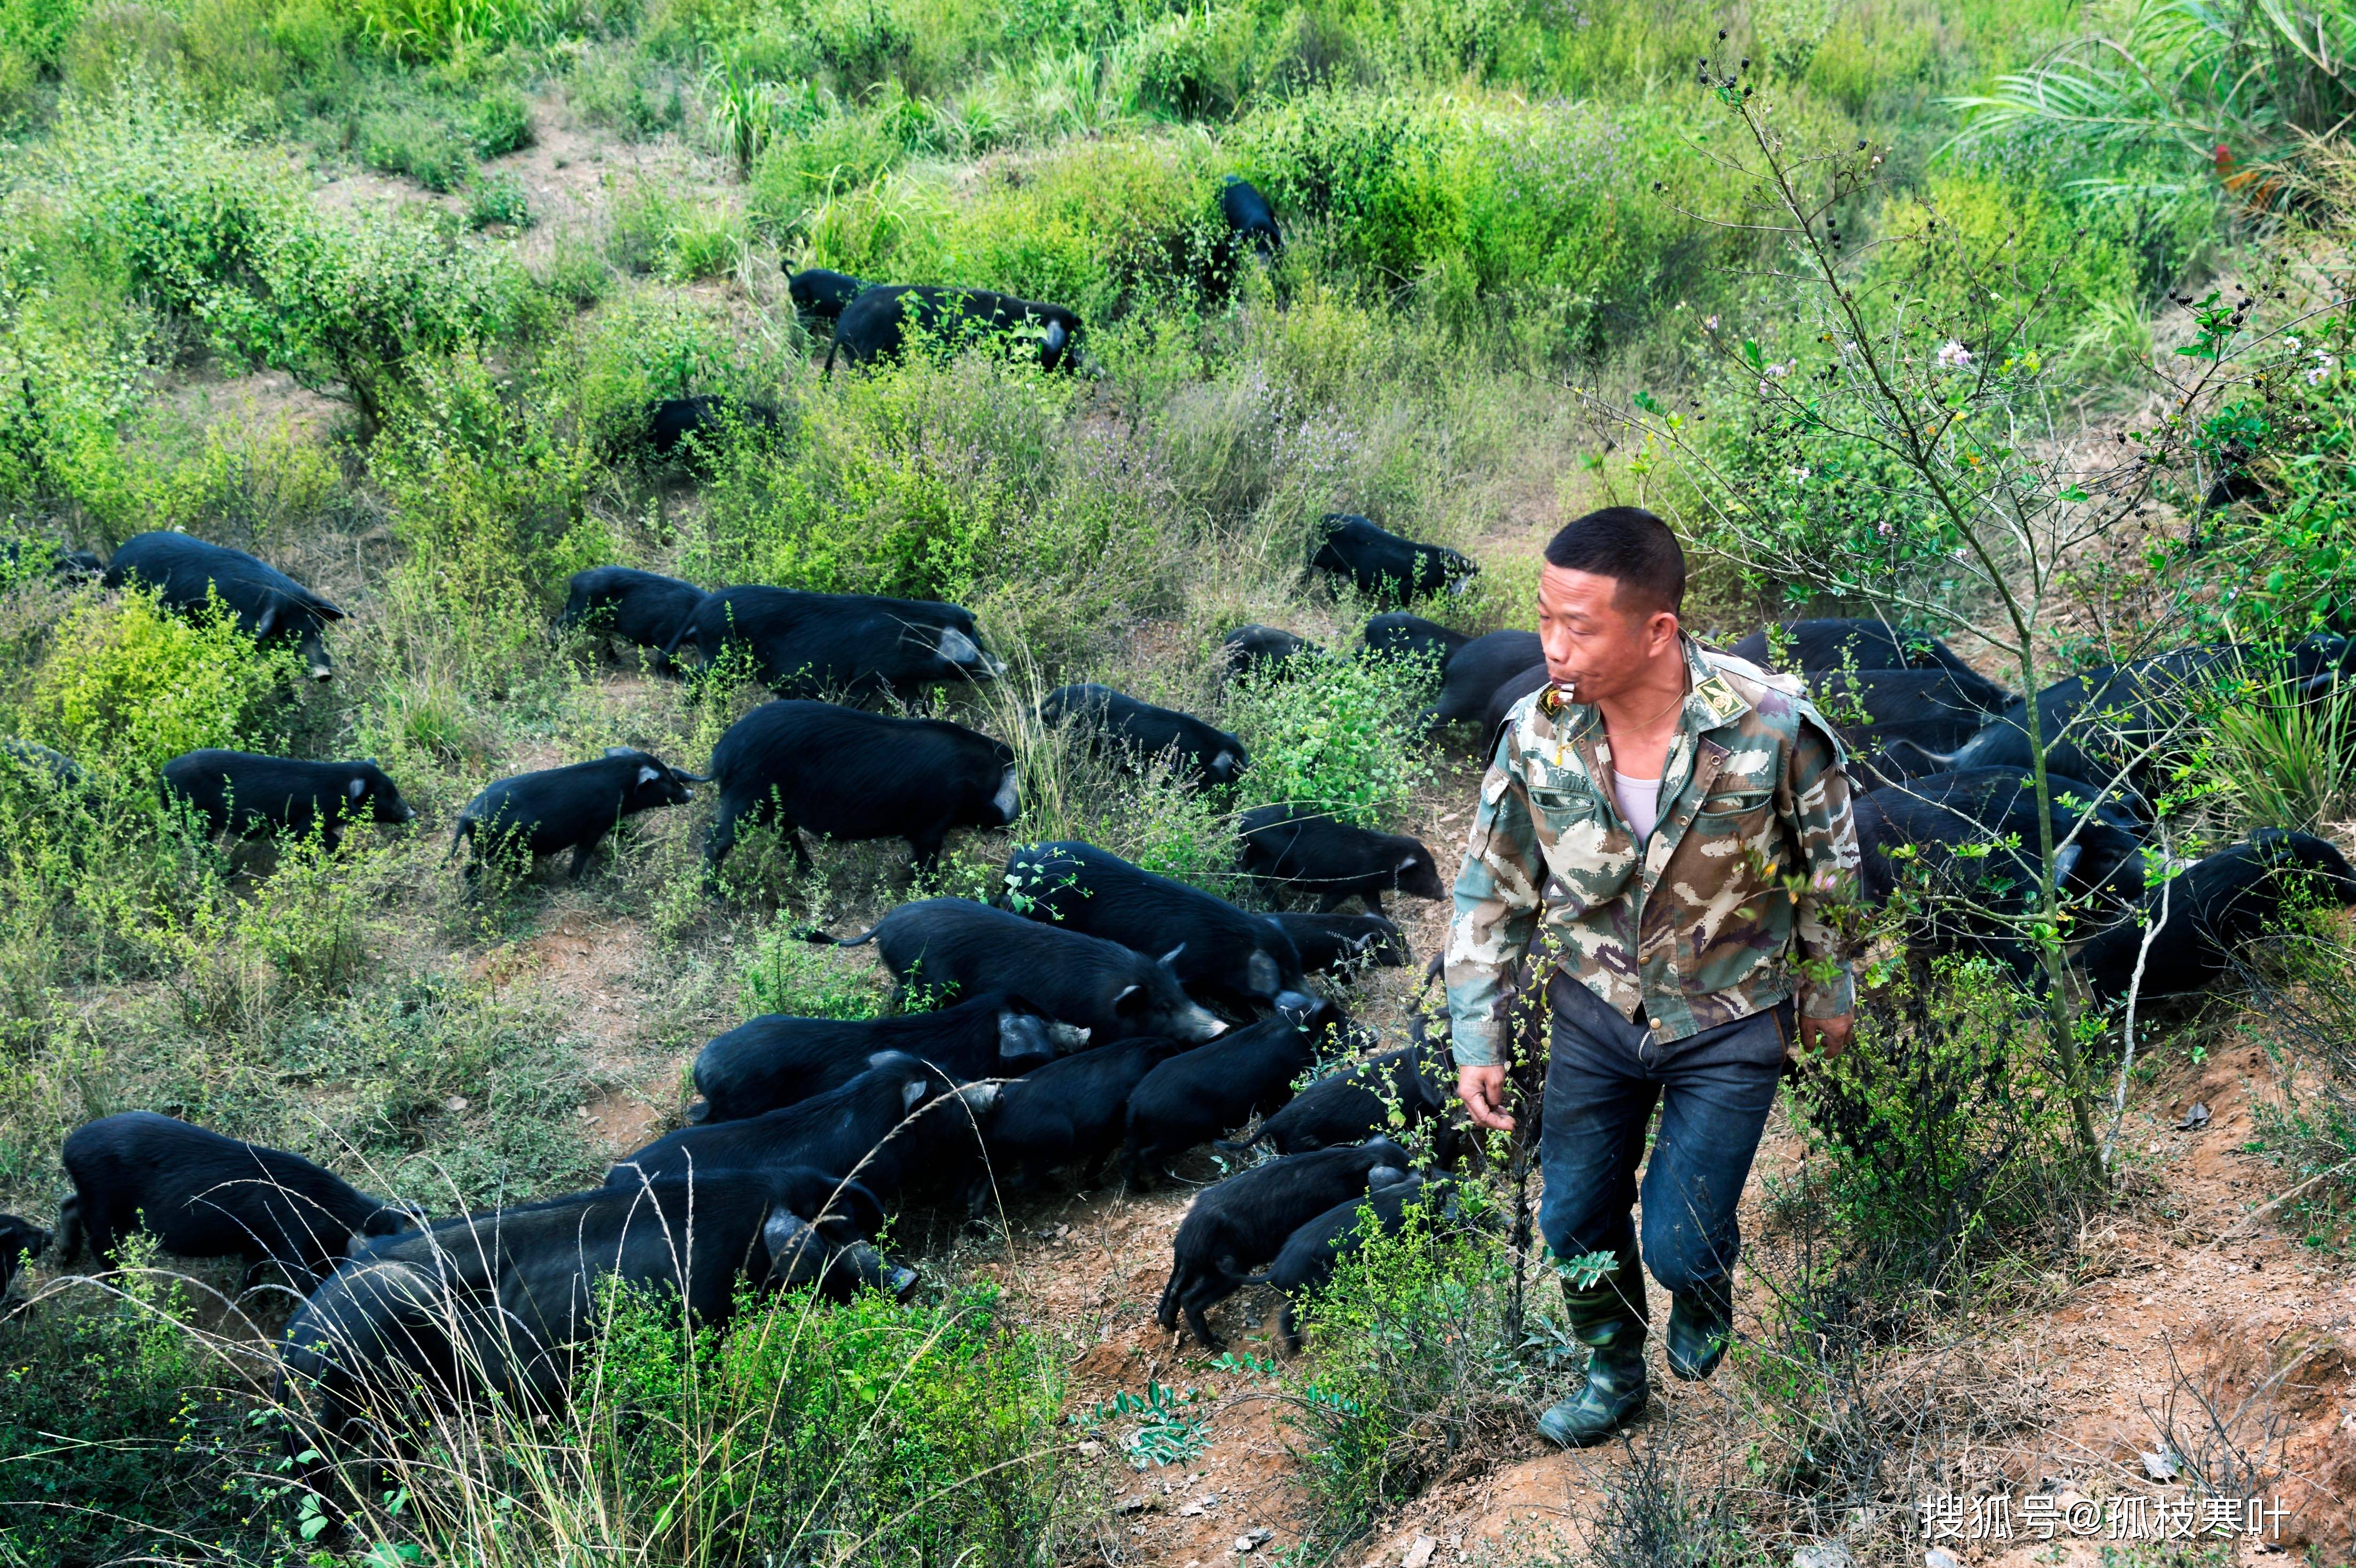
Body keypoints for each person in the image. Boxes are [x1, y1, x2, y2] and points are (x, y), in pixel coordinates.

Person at [1444, 506, 1860, 1447]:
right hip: (1595, 1013)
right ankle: (1612, 1373)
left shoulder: (1769, 727)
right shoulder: (1536, 734)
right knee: (1573, 1218)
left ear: (1656, 629)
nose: (1551, 646)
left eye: (1578, 627)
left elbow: (1829, 870)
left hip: (1727, 1019)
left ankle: (1701, 1279)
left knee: (1678, 1238)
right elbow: (1490, 888)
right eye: (1544, 617)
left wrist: (1829, 993)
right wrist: (1478, 1033)